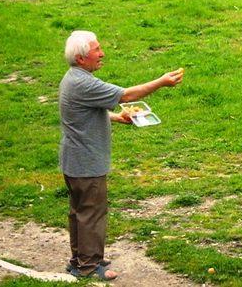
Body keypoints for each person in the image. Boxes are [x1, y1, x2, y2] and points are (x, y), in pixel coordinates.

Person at [58, 30, 183, 280]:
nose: (102, 54)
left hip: (74, 160)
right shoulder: (85, 83)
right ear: (82, 58)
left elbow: (86, 112)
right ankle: (89, 267)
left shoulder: (73, 78)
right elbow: (127, 95)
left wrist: (116, 117)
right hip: (87, 163)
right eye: (97, 50)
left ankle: (80, 260)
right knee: (92, 213)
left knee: (80, 212)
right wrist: (161, 82)